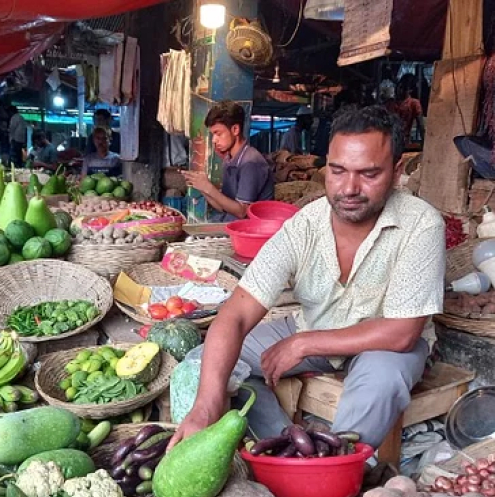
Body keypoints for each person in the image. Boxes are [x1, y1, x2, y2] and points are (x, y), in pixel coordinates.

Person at [168, 105, 445, 453]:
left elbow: (402, 332)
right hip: (312, 324)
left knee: (384, 380)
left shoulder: (421, 224)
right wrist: (206, 406)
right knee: (208, 361)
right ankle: (288, 448)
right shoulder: (305, 224)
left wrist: (304, 343)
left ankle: (334, 464)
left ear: (397, 170)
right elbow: (236, 314)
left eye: (369, 174)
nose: (349, 188)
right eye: (338, 170)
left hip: (382, 344)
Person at [182, 100, 273, 222]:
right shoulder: (229, 159)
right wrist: (201, 187)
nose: (214, 140)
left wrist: (208, 188)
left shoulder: (250, 162)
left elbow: (242, 212)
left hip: (248, 232)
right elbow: (223, 207)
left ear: (235, 129)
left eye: (218, 133)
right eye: (213, 134)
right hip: (228, 224)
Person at [386, 74, 424, 145]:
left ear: (410, 90)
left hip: (404, 141)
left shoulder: (414, 103)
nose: (399, 90)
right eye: (399, 87)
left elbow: (421, 126)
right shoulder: (389, 103)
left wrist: (424, 143)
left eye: (403, 88)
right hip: (390, 141)